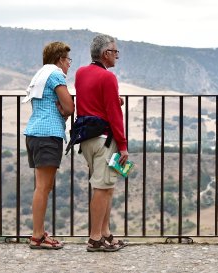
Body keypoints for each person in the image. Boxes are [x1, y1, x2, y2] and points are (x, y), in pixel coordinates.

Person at [74, 34, 128, 252]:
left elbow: (91, 100)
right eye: (115, 52)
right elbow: (113, 114)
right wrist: (123, 145)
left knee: (106, 187)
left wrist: (114, 99)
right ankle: (95, 238)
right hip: (105, 140)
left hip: (86, 139)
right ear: (106, 54)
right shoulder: (108, 78)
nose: (117, 56)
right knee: (102, 188)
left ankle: (105, 234)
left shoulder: (80, 73)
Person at [23, 41, 75, 250]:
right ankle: (37, 236)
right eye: (68, 60)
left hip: (34, 133)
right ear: (60, 59)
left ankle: (38, 232)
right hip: (48, 135)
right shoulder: (55, 75)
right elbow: (69, 106)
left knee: (42, 187)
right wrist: (64, 111)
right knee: (43, 188)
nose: (69, 65)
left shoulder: (40, 74)